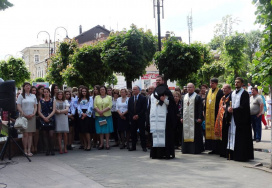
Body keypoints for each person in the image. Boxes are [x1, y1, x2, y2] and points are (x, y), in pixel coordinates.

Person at [227, 77, 254, 161]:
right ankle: (232, 155)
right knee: (232, 136)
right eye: (235, 82)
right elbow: (229, 103)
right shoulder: (233, 93)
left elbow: (244, 107)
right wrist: (228, 108)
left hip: (241, 120)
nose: (236, 83)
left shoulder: (245, 93)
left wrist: (234, 110)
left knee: (240, 138)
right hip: (233, 118)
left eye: (238, 82)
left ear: (242, 84)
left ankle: (241, 156)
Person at [150, 75, 176, 159]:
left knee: (165, 136)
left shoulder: (167, 91)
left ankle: (165, 154)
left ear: (163, 81)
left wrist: (164, 100)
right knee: (155, 136)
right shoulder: (153, 92)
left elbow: (172, 104)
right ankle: (156, 154)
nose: (157, 81)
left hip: (164, 119)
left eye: (159, 80)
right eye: (156, 80)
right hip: (155, 118)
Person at [180, 83, 204, 154]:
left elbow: (200, 108)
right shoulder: (184, 97)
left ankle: (195, 150)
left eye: (190, 87)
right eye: (188, 87)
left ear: (193, 88)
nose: (189, 89)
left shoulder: (197, 97)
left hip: (194, 119)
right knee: (186, 133)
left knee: (195, 134)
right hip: (186, 120)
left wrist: (200, 118)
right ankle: (186, 149)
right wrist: (181, 117)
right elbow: (181, 108)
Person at [17, 82, 37, 157]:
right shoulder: (21, 96)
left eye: (29, 86)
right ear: (24, 87)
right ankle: (24, 150)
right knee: (25, 134)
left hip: (32, 116)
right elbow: (18, 105)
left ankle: (29, 150)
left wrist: (33, 113)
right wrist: (23, 113)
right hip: (24, 116)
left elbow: (35, 106)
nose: (28, 87)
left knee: (30, 134)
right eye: (26, 86)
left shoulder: (33, 96)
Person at [204, 78, 224, 154]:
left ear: (216, 84)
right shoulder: (208, 92)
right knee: (209, 131)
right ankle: (211, 148)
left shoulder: (220, 92)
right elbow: (205, 103)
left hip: (216, 115)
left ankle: (217, 149)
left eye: (212, 83)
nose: (211, 84)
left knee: (216, 132)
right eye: (210, 83)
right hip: (208, 115)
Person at [214, 84, 232, 157]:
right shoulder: (222, 98)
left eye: (225, 89)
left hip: (227, 119)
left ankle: (226, 152)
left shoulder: (231, 97)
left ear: (229, 89)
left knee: (226, 135)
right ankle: (221, 151)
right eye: (223, 89)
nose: (224, 90)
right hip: (221, 118)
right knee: (222, 136)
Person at [128, 85, 147, 152]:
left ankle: (144, 147)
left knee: (142, 133)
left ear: (138, 90)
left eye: (135, 89)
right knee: (133, 133)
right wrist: (133, 116)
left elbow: (144, 109)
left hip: (140, 118)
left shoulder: (143, 98)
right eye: (133, 89)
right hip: (133, 118)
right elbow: (129, 108)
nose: (134, 90)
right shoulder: (130, 98)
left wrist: (138, 115)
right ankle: (133, 146)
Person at [94, 86, 114, 150]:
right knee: (101, 130)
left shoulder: (109, 97)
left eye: (103, 89)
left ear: (105, 90)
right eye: (101, 90)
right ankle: (101, 144)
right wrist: (99, 111)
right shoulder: (96, 97)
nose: (102, 91)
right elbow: (95, 105)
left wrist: (102, 111)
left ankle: (107, 144)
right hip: (99, 116)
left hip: (107, 116)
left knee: (107, 130)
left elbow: (110, 106)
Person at [38, 88, 56, 156]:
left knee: (51, 135)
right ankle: (47, 149)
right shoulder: (41, 101)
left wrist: (48, 117)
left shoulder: (53, 100)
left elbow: (54, 110)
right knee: (45, 135)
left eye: (47, 92)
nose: (46, 93)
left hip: (51, 118)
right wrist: (44, 118)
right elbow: (39, 111)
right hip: (43, 118)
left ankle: (52, 149)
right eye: (44, 92)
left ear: (49, 92)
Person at [77, 86, 93, 151]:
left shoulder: (90, 98)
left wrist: (85, 114)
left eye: (85, 91)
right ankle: (85, 144)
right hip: (81, 114)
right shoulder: (79, 99)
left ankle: (89, 144)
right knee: (82, 131)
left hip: (87, 115)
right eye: (83, 91)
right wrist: (82, 114)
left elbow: (90, 106)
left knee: (87, 131)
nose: (84, 92)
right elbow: (78, 107)